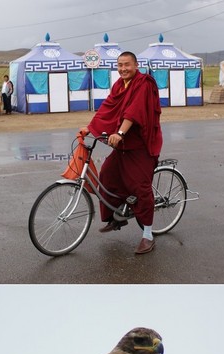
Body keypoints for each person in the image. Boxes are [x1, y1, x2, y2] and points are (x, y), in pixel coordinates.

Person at [84, 51, 163, 255]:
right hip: (123, 144)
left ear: (136, 65)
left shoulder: (144, 83)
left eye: (127, 65)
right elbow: (108, 107)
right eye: (119, 65)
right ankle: (115, 217)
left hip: (141, 144)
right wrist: (89, 128)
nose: (123, 69)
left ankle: (147, 235)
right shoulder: (119, 85)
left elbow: (134, 111)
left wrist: (119, 132)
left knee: (140, 187)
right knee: (108, 175)